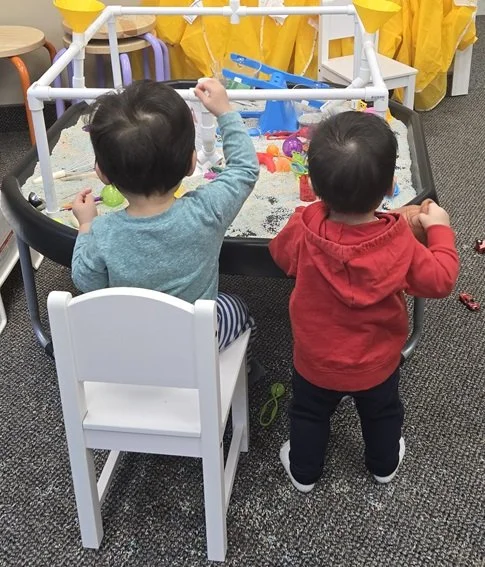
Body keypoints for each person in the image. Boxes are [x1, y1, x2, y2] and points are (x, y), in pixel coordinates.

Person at [269, 111, 459, 493]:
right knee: (382, 412)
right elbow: (441, 280)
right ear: (390, 186)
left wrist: (310, 215)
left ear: (315, 184)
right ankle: (383, 465)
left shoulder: (304, 227)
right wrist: (439, 228)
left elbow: (280, 256)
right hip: (377, 361)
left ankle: (305, 474)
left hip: (315, 359)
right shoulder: (400, 242)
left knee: (307, 412)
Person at [71, 78, 259, 368]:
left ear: (102, 173)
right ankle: (243, 369)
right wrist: (225, 111)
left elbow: (87, 281)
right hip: (195, 347)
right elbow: (245, 168)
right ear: (191, 163)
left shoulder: (103, 233)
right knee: (238, 307)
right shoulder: (207, 210)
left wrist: (86, 226)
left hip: (129, 348)